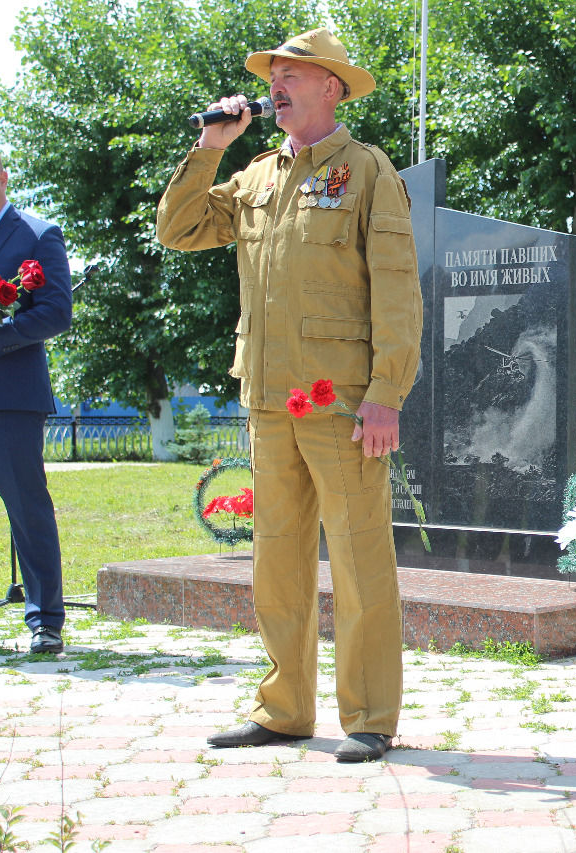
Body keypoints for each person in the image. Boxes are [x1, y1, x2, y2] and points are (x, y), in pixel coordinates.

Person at [156, 28, 422, 762]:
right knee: (276, 556)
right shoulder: (257, 176)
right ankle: (284, 708)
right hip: (272, 396)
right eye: (272, 75)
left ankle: (369, 714)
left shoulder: (367, 170)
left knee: (361, 553)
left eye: (292, 74)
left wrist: (386, 392)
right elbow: (177, 228)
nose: (276, 85)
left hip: (337, 397)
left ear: (332, 86)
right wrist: (212, 145)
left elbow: (399, 291)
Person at [0, 142, 73, 655]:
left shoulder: (38, 234)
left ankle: (46, 620)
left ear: (3, 180)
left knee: (27, 509)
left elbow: (54, 313)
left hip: (8, 397)